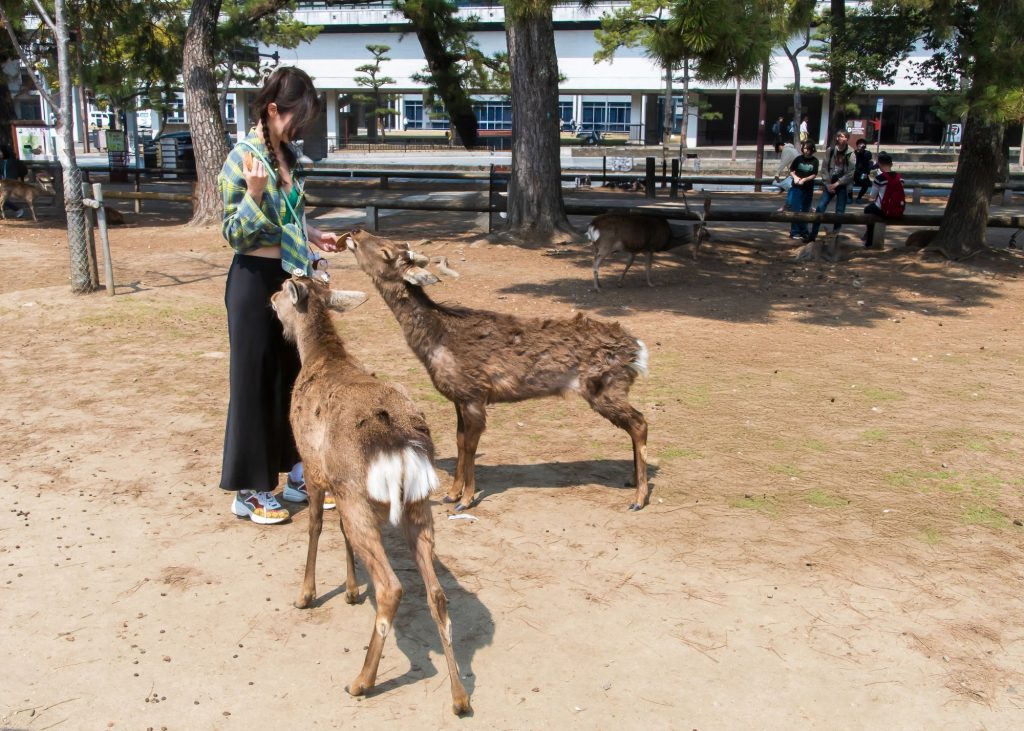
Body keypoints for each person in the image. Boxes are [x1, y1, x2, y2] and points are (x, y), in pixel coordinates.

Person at [218, 66, 341, 525]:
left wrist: (314, 234)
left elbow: (291, 215)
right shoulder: (242, 158)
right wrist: (253, 194)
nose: (301, 126)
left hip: (291, 278)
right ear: (273, 109)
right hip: (253, 280)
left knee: (293, 378)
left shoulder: (290, 157)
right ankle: (249, 490)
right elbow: (234, 233)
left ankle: (296, 474)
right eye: (297, 117)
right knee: (253, 382)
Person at [805, 130, 854, 244]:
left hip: (842, 184)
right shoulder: (830, 150)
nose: (843, 139)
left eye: (845, 137)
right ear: (837, 138)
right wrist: (827, 184)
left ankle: (835, 236)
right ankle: (813, 235)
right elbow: (824, 168)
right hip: (830, 182)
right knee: (820, 208)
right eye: (841, 136)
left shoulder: (851, 152)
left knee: (840, 211)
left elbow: (851, 172)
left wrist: (837, 183)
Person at [861, 152, 898, 248]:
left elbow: (872, 196)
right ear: (891, 164)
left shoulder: (879, 178)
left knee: (868, 210)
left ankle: (869, 239)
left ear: (880, 165)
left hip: (882, 208)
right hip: (896, 207)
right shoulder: (899, 177)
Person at [785, 141, 819, 240]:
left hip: (808, 188)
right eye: (805, 148)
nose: (806, 151)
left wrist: (804, 179)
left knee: (805, 209)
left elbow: (814, 174)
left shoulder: (815, 161)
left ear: (812, 149)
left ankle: (804, 231)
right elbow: (792, 170)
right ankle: (794, 231)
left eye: (808, 149)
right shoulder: (798, 159)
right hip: (797, 187)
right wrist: (795, 177)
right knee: (795, 209)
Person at [772, 141, 799, 211]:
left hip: (795, 173)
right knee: (794, 190)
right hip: (797, 172)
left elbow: (783, 162)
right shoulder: (792, 149)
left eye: (778, 149)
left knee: (792, 190)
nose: (780, 151)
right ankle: (787, 205)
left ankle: (787, 205)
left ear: (780, 146)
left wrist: (777, 173)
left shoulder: (786, 150)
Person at [0, 145, 25, 219]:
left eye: (1, 152)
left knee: (2, 198)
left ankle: (18, 210)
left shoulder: (13, 162)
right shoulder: (1, 162)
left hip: (10, 183)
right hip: (3, 183)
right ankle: (17, 210)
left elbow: (22, 171)